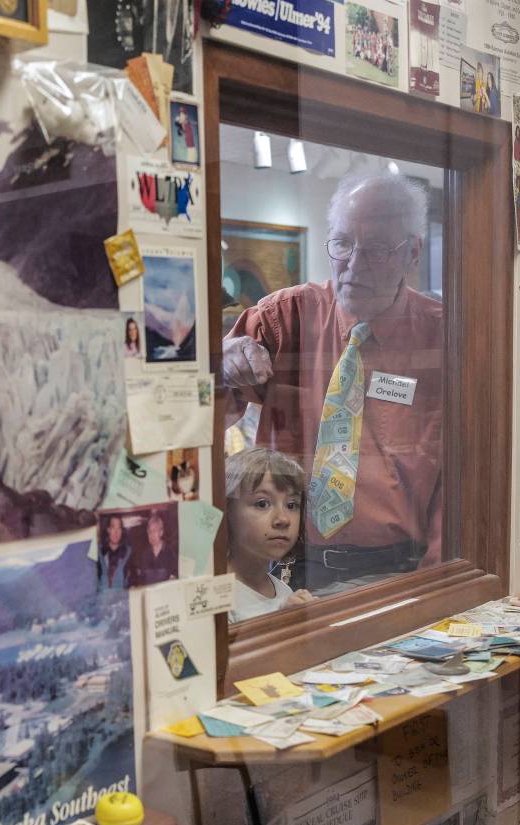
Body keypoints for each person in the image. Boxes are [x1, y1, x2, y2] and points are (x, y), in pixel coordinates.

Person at [223, 172, 442, 593]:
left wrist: (435, 585)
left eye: (377, 249)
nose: (354, 265)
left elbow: (461, 478)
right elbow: (200, 414)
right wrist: (219, 364)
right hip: (282, 575)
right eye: (342, 244)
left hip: (395, 575)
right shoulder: (286, 317)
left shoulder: (441, 338)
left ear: (412, 253)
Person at [226, 448, 315, 622]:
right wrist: (281, 622)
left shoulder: (283, 591)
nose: (283, 519)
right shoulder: (216, 595)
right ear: (228, 512)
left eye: (292, 505)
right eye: (262, 503)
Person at [128, 510, 176, 586]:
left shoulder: (170, 554)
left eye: (154, 531)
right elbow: (140, 580)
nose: (151, 535)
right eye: (149, 532)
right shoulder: (143, 555)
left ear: (161, 532)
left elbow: (173, 580)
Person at [98, 514, 130, 590]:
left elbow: (132, 581)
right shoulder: (99, 552)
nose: (116, 532)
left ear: (122, 531)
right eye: (113, 528)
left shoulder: (128, 553)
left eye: (119, 528)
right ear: (108, 529)